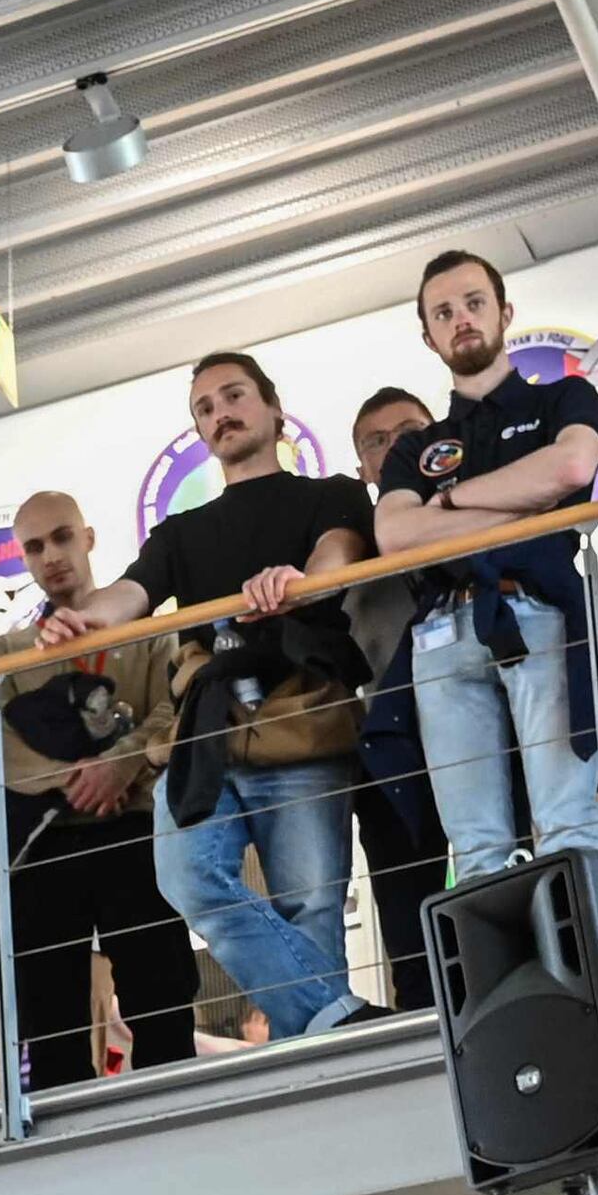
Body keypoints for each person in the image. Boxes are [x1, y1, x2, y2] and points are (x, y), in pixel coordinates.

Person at [40, 355, 378, 1045]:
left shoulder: (333, 493)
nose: (220, 412)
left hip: (303, 714)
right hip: (207, 732)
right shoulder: (178, 533)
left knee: (312, 907)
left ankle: (319, 1066)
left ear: (274, 408)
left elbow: (337, 557)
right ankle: (338, 1022)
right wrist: (80, 619)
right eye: (204, 407)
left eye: (233, 396)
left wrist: (299, 580)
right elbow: (127, 596)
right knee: (188, 877)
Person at [369, 252, 598, 887]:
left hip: (538, 612)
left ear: (505, 312)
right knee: (475, 847)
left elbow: (569, 471)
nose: (462, 320)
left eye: (474, 303)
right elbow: (396, 534)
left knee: (566, 823)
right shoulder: (414, 446)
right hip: (441, 634)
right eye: (444, 312)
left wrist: (450, 501)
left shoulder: (566, 395)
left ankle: (594, 981)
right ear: (428, 336)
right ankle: (505, 990)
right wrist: (524, 510)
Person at [0, 492, 192, 1085]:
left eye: (61, 537)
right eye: (34, 547)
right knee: (49, 1008)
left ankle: (183, 1117)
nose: (51, 556)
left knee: (161, 994)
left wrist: (124, 762)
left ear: (88, 537)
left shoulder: (149, 634)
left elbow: (175, 709)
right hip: (42, 844)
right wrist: (90, 777)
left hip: (135, 832)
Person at [343, 388, 452, 993]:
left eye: (407, 431)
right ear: (361, 465)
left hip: (483, 726)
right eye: (375, 442)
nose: (392, 448)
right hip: (387, 745)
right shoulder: (344, 540)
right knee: (408, 911)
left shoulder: (470, 509)